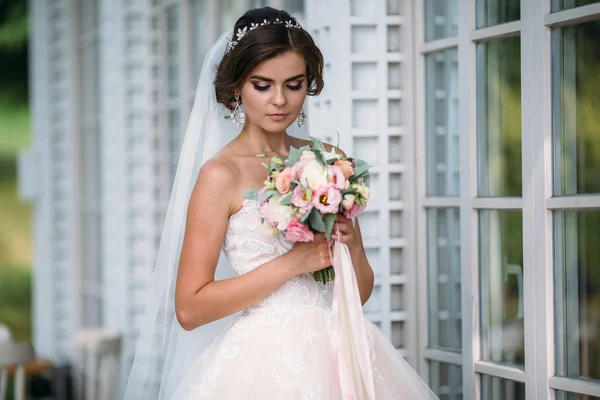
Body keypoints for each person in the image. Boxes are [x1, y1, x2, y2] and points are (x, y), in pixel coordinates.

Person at [124, 7, 438, 400]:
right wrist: (293, 263)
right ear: (237, 85)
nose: (279, 100)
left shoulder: (327, 161)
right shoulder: (221, 175)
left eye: (294, 84)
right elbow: (189, 309)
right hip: (263, 364)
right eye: (262, 84)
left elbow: (357, 293)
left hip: (345, 350)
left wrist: (352, 245)